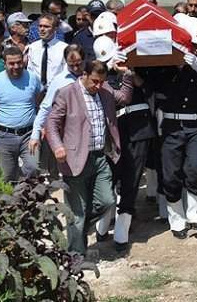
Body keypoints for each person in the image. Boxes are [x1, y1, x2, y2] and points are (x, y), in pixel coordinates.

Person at [45, 60, 131, 255]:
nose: (98, 85)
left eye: (102, 81)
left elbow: (124, 98)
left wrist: (126, 75)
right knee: (77, 211)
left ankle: (79, 228)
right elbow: (51, 123)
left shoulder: (105, 91)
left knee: (107, 200)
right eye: (95, 81)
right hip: (74, 159)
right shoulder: (67, 93)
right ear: (83, 74)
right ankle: (76, 256)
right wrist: (58, 146)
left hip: (100, 157)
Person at [153, 18, 197, 238]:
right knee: (171, 175)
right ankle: (177, 219)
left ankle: (195, 215)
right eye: (195, 45)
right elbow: (156, 84)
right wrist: (177, 67)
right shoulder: (173, 61)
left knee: (194, 169)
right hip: (173, 123)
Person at [96, 37, 155, 251]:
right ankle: (103, 222)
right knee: (109, 177)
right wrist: (108, 71)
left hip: (138, 127)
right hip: (113, 130)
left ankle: (122, 228)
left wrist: (127, 71)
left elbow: (148, 88)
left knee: (131, 178)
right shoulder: (98, 73)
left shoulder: (133, 61)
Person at [0, 47, 42, 182]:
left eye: (19, 62)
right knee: (6, 175)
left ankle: (25, 194)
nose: (16, 66)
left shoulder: (33, 78)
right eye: (11, 63)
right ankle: (11, 199)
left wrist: (41, 126)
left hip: (28, 135)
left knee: (33, 168)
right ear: (5, 64)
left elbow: (40, 102)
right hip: (4, 136)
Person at [29, 44, 87, 179]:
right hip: (68, 133)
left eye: (79, 64)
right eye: (71, 65)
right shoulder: (59, 80)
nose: (75, 69)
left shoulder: (90, 76)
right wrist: (35, 134)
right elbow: (45, 107)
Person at [27, 13, 67, 90]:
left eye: (46, 26)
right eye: (40, 26)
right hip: (36, 91)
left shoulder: (64, 48)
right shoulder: (33, 47)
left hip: (56, 91)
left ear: (55, 29)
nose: (42, 29)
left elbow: (65, 73)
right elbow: (30, 71)